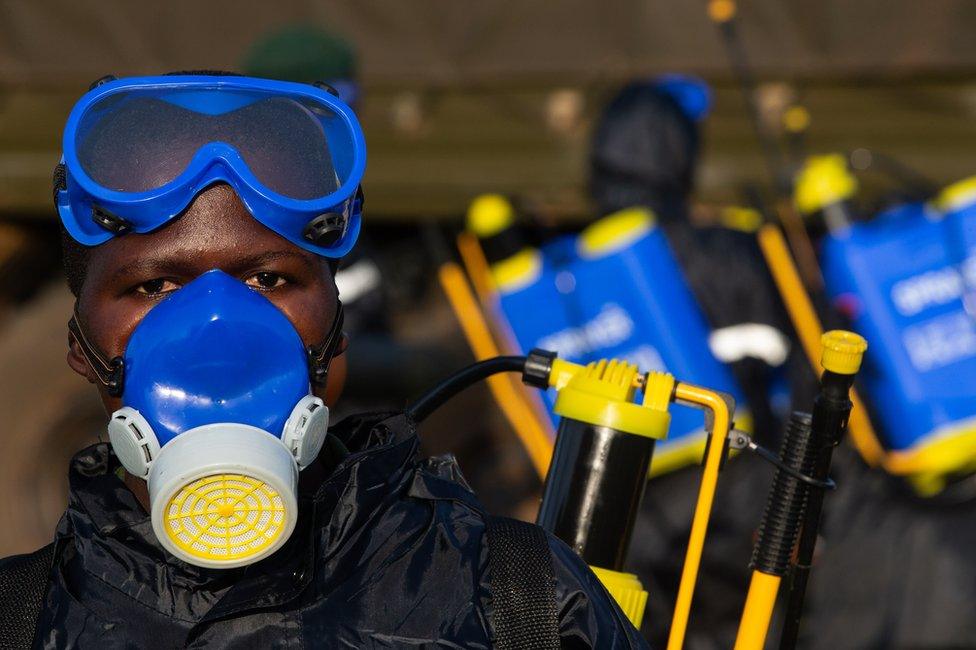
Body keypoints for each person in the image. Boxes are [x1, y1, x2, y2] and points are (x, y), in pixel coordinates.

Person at [0, 73, 645, 648]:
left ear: (335, 329)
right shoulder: (18, 622)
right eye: (155, 287)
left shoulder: (520, 605)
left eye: (270, 281)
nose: (219, 336)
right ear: (81, 342)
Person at [588, 78, 804, 648]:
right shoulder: (731, 253)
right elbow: (794, 381)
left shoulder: (573, 271)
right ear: (683, 160)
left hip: (622, 519)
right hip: (734, 510)